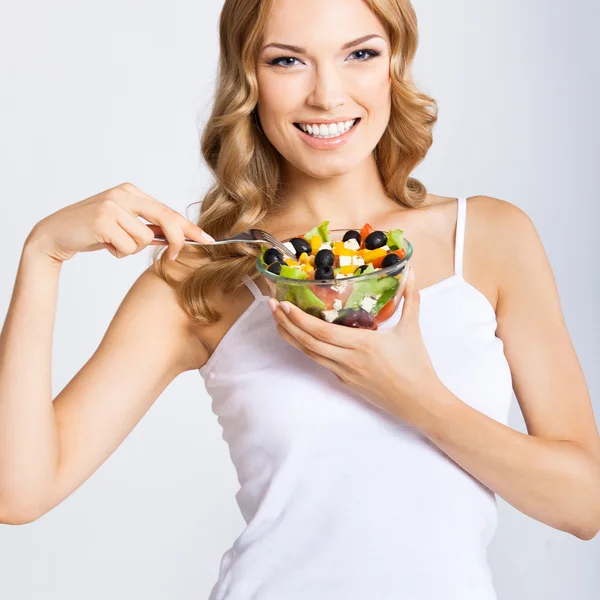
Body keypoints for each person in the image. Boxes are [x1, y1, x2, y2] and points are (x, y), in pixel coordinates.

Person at [1, 0, 599, 598]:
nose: (327, 96)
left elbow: (584, 504)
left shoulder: (489, 237)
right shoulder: (202, 277)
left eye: (359, 53)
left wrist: (417, 397)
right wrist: (42, 256)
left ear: (394, 62)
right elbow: (18, 492)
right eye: (287, 61)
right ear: (248, 79)